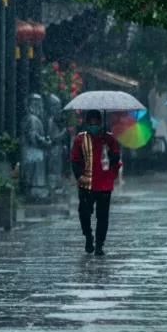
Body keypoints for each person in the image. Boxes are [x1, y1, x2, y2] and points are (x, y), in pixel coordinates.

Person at [70, 109, 122, 256]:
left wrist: (111, 155)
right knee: (84, 214)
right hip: (86, 183)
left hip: (104, 184)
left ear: (100, 122)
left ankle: (99, 244)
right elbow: (75, 160)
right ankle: (88, 236)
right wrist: (79, 176)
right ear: (87, 123)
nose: (94, 125)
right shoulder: (80, 140)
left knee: (102, 216)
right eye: (91, 123)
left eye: (96, 122)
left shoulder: (109, 139)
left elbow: (116, 159)